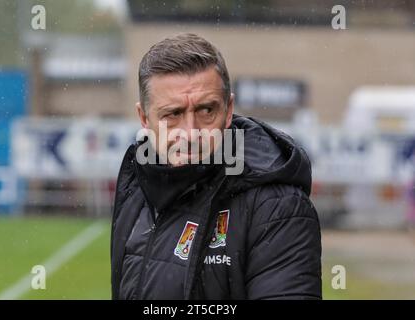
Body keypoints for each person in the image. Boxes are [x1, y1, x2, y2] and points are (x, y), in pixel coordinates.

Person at [110, 33, 322, 300]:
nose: (191, 132)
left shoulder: (277, 206)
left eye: (206, 110)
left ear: (228, 109)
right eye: (172, 114)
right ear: (144, 118)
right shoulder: (137, 190)